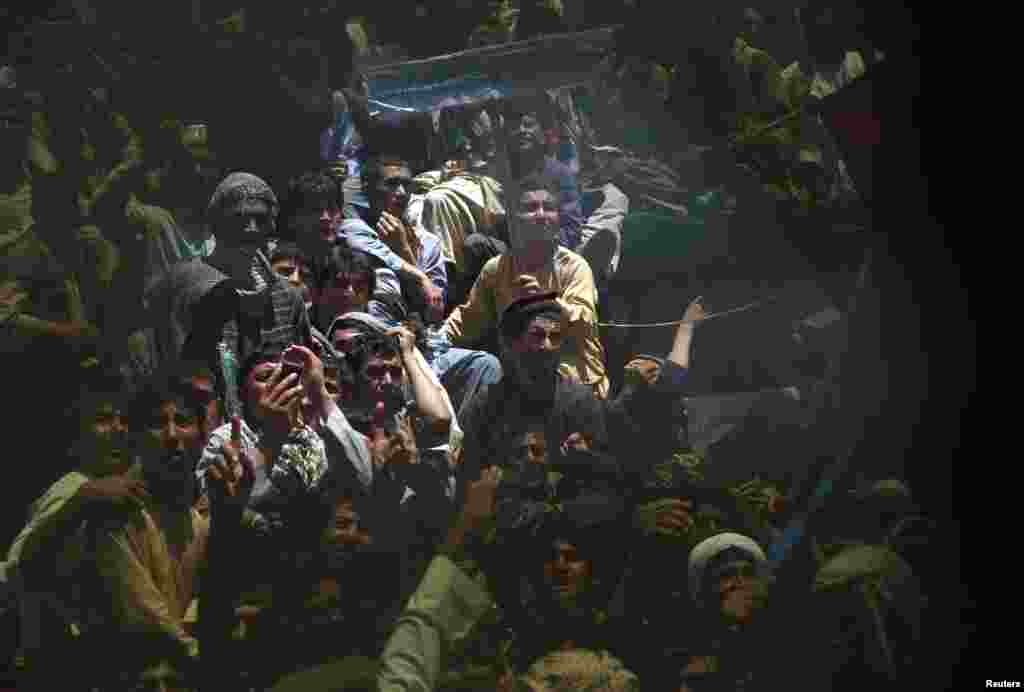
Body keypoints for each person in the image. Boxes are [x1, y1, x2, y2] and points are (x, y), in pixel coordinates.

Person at [457, 290, 705, 506]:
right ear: (513, 343)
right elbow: (468, 479)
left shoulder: (580, 401)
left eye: (554, 338)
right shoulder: (486, 406)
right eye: (537, 335)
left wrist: (585, 460)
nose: (546, 345)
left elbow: (616, 477)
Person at [144, 171, 313, 417]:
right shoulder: (187, 287)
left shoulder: (287, 297)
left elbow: (304, 372)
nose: (251, 228)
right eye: (239, 218)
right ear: (216, 223)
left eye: (260, 218)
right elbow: (171, 372)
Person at [443, 172, 609, 397]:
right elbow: (468, 318)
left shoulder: (575, 268)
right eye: (531, 208)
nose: (541, 215)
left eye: (548, 207)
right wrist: (436, 339)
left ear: (558, 216)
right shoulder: (497, 268)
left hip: (572, 381)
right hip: (518, 379)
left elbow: (584, 324)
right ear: (514, 216)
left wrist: (545, 300)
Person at [335, 157, 447, 325]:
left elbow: (434, 313)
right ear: (368, 189)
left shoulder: (429, 243)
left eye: (407, 185)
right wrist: (420, 277)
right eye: (392, 184)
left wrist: (404, 249)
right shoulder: (354, 230)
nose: (402, 192)